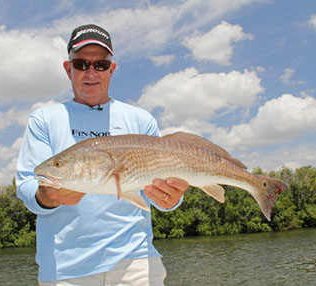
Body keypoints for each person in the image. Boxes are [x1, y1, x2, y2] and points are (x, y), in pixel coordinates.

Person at [16, 24, 188, 286]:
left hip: (138, 263)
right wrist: (47, 197)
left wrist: (171, 199)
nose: (91, 72)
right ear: (68, 68)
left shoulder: (141, 120)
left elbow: (158, 193)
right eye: (82, 63)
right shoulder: (44, 119)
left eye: (101, 64)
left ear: (112, 68)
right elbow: (27, 184)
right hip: (65, 269)